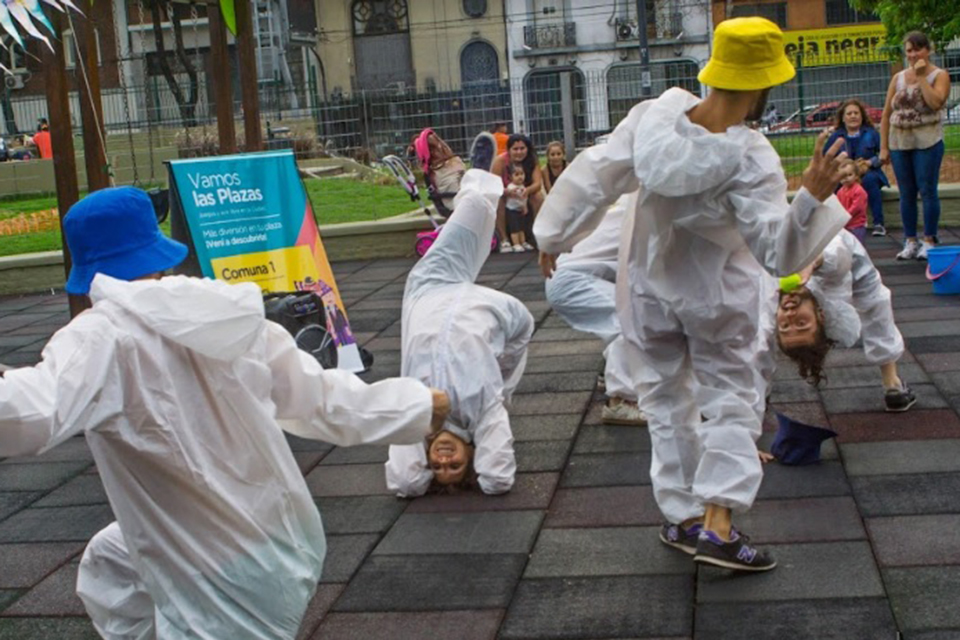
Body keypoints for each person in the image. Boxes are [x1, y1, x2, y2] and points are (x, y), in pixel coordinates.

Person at [0, 186, 451, 639]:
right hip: (280, 536)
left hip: (220, 584)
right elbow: (320, 398)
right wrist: (413, 405)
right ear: (159, 256)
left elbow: (31, 413)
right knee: (111, 560)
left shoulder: (100, 337)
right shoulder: (224, 314)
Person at [534, 17, 849, 572]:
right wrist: (813, 197)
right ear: (760, 86)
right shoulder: (750, 158)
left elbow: (593, 173)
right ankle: (718, 526)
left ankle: (681, 516)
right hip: (718, 297)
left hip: (649, 289)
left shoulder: (654, 118)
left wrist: (552, 236)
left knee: (663, 401)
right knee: (733, 398)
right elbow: (778, 252)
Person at [386, 169, 535, 497]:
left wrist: (421, 475)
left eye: (437, 467)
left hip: (429, 288)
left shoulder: (417, 415)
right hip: (496, 311)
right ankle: (468, 178)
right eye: (455, 466)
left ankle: (468, 184)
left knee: (472, 213)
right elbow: (497, 480)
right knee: (499, 388)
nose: (443, 461)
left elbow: (404, 482)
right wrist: (496, 401)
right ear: (471, 454)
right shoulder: (480, 412)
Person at [775, 229, 916, 412]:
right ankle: (893, 385)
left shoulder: (770, 297)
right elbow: (838, 253)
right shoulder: (834, 291)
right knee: (875, 306)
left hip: (789, 233)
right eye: (802, 323)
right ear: (820, 315)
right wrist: (817, 260)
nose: (790, 314)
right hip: (847, 257)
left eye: (784, 326)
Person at [543, 193, 646, 426]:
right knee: (629, 322)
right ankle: (622, 400)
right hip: (573, 280)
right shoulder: (645, 211)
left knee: (631, 314)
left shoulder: (631, 203)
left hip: (573, 276)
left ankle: (610, 373)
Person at [880, 31, 951, 261]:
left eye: (917, 49)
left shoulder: (939, 76)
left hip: (927, 140)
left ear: (927, 51)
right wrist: (884, 146)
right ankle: (910, 240)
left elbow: (935, 102)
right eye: (909, 50)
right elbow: (886, 113)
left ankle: (929, 239)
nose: (913, 55)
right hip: (900, 141)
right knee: (906, 192)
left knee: (927, 189)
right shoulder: (898, 78)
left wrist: (921, 77)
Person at [826, 98, 890, 236]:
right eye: (849, 114)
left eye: (856, 113)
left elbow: (884, 154)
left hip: (867, 172)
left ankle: (878, 223)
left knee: (870, 180)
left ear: (862, 116)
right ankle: (838, 222)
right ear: (843, 118)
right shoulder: (836, 136)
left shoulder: (872, 134)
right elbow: (826, 157)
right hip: (844, 173)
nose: (853, 116)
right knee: (835, 184)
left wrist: (870, 163)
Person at [489, 134, 544, 252]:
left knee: (538, 197)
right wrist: (507, 192)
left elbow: (537, 184)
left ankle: (538, 235)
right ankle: (504, 239)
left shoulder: (532, 161)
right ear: (509, 150)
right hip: (506, 196)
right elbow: (493, 185)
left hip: (524, 196)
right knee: (498, 199)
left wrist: (527, 191)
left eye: (522, 148)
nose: (519, 152)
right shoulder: (500, 161)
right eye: (515, 149)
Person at [414, 128, 466, 216]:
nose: (441, 146)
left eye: (439, 142)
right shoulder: (439, 171)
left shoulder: (452, 162)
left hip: (465, 201)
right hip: (458, 206)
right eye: (436, 145)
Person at [836, 158, 868, 244]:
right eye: (843, 176)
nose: (846, 178)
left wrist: (844, 217)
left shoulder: (859, 191)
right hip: (845, 225)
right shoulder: (840, 191)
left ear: (856, 176)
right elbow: (838, 206)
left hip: (857, 225)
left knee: (857, 246)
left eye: (849, 175)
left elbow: (856, 207)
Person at [504, 164, 534, 252]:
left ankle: (523, 242)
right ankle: (516, 243)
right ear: (510, 177)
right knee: (515, 228)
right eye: (516, 175)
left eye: (521, 174)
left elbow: (524, 198)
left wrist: (525, 207)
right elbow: (517, 199)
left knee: (521, 228)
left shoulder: (523, 187)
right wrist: (522, 204)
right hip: (512, 210)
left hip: (520, 210)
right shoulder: (511, 187)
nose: (520, 177)